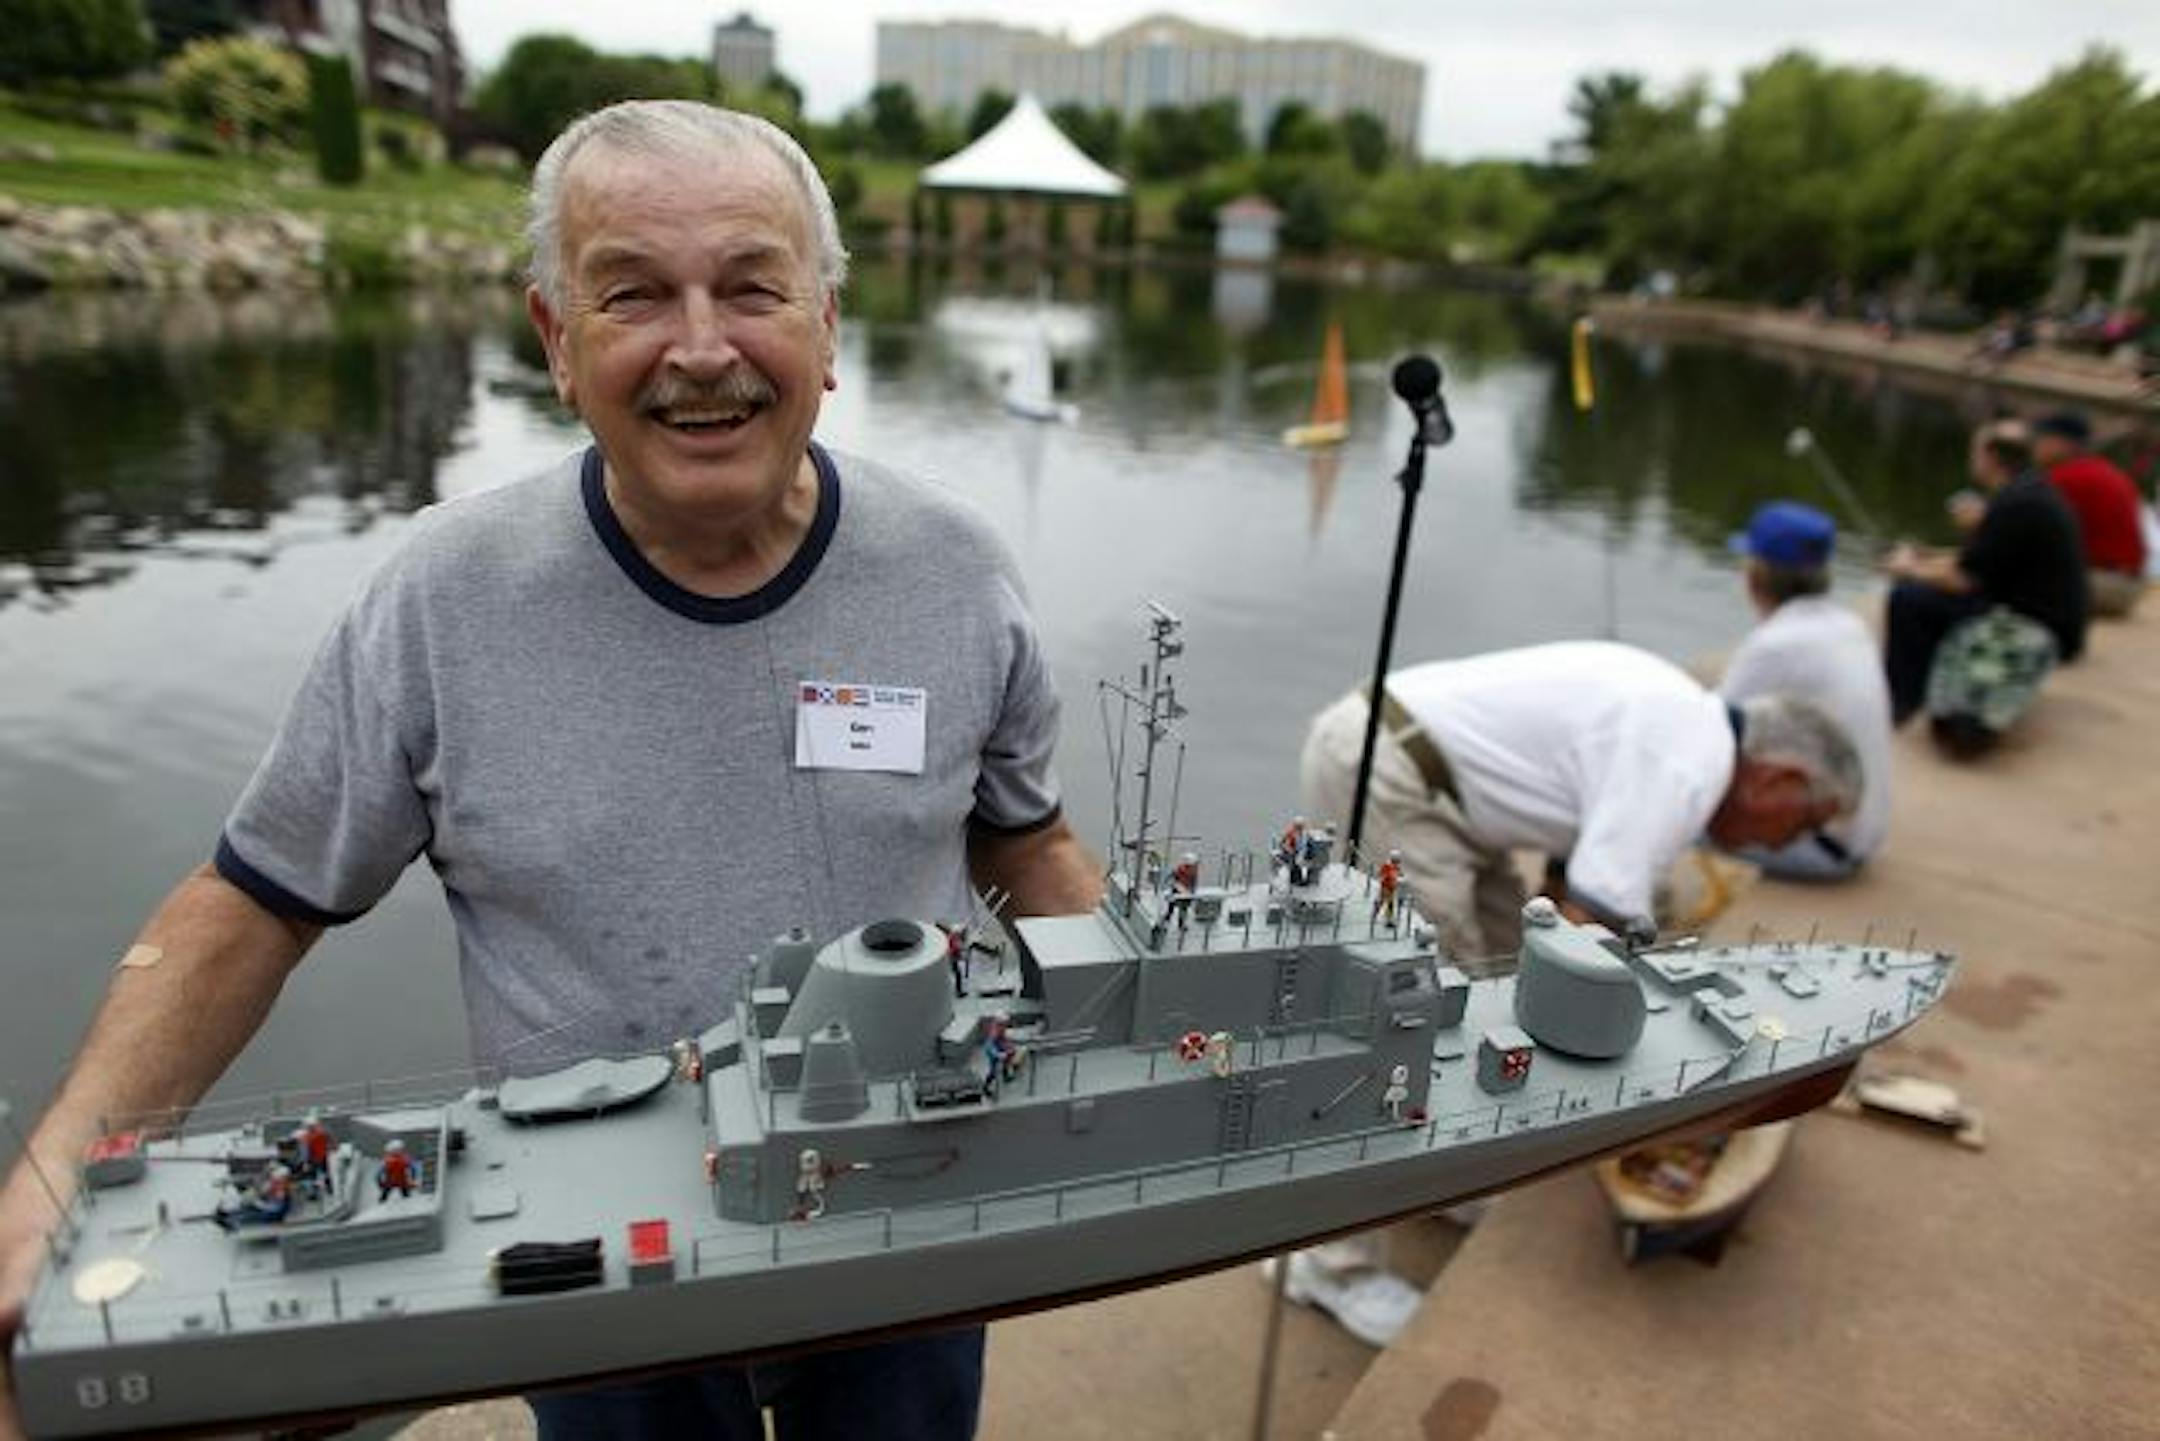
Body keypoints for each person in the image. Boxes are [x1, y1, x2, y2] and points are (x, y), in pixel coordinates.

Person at [0, 100, 1103, 1441]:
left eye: (752, 286)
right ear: (556, 342)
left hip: (902, 1203)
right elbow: (258, 898)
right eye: (633, 293)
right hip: (597, 1257)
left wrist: (1146, 1061)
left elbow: (1026, 839)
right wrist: (63, 1167)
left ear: (826, 325)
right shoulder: (441, 602)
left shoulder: (955, 570)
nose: (702, 349)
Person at [1299, 642, 1863, 962]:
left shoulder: (1688, 726)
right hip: (1387, 769)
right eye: (1804, 821)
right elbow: (1598, 916)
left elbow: (1571, 890)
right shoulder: (1689, 764)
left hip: (1442, 789)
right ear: (1776, 780)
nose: (1787, 842)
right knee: (1438, 971)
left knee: (1504, 958)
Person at [1721, 502, 1892, 879]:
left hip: (1819, 848)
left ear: (1755, 576)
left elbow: (1706, 732)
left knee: (1661, 801)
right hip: (1861, 836)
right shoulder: (1849, 626)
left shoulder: (1775, 645)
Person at [1882, 419, 2088, 726]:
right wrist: (1927, 556)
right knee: (1926, 593)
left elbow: (1963, 580)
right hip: (2045, 613)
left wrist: (1907, 569)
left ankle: (1902, 701)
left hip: (2038, 623)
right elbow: (1982, 559)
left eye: (1975, 451)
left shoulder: (2015, 504)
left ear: (1990, 457)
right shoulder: (2028, 490)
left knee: (1909, 600)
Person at [2030, 411, 2146, 616]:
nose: (2034, 446)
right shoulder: (2103, 469)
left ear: (2063, 444)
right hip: (2125, 584)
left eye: (2041, 439)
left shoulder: (2065, 477)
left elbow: (2025, 536)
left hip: (2102, 586)